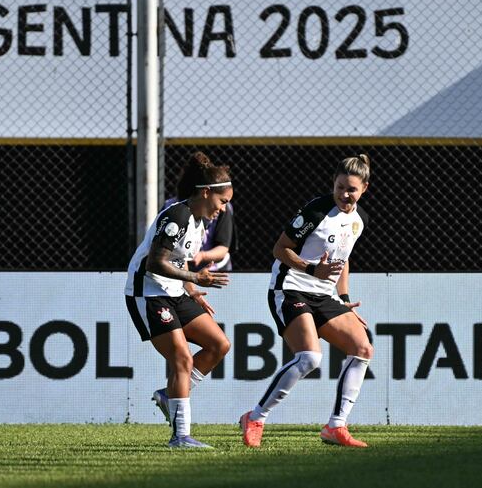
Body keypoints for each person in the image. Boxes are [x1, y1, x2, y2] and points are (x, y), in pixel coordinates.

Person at [239, 154, 373, 448]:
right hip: (290, 288)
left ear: (364, 187)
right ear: (333, 183)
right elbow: (280, 249)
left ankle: (336, 427)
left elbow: (343, 259)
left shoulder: (359, 219)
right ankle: (256, 417)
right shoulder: (317, 211)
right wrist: (312, 269)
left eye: (351, 189)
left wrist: (343, 298)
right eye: (340, 187)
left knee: (363, 347)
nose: (344, 194)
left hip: (323, 294)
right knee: (310, 357)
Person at [124, 152, 233, 448]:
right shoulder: (178, 215)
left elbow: (179, 260)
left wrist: (192, 289)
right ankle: (180, 436)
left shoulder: (199, 222)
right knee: (182, 359)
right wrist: (195, 278)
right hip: (148, 293)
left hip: (174, 292)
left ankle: (168, 395)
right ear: (206, 192)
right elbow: (155, 263)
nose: (223, 209)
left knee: (219, 344)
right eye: (222, 201)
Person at [162, 196, 235, 272]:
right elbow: (162, 257)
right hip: (180, 270)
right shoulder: (173, 208)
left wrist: (202, 256)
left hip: (215, 268)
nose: (223, 209)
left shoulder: (222, 207)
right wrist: (189, 276)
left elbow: (223, 248)